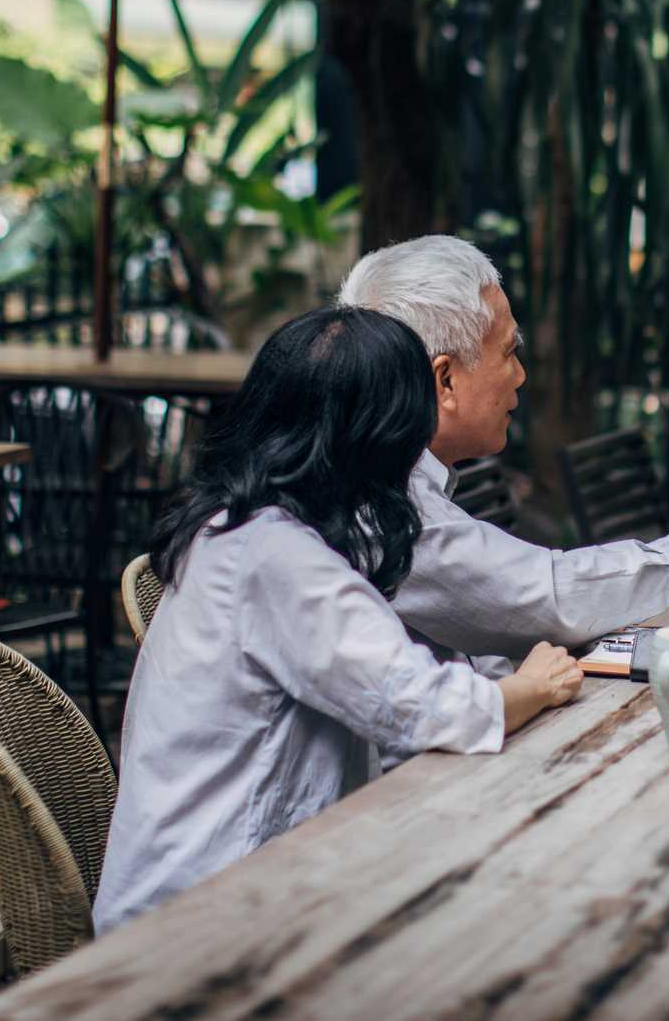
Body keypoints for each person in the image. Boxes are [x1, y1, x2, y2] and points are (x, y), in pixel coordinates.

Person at [95, 307, 584, 934]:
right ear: (380, 435)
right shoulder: (277, 556)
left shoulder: (236, 523)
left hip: (223, 883)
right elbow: (423, 707)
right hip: (203, 917)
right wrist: (533, 686)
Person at [339, 236, 669, 658]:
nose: (519, 376)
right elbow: (541, 598)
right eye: (508, 353)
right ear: (445, 380)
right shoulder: (380, 505)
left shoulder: (376, 470)